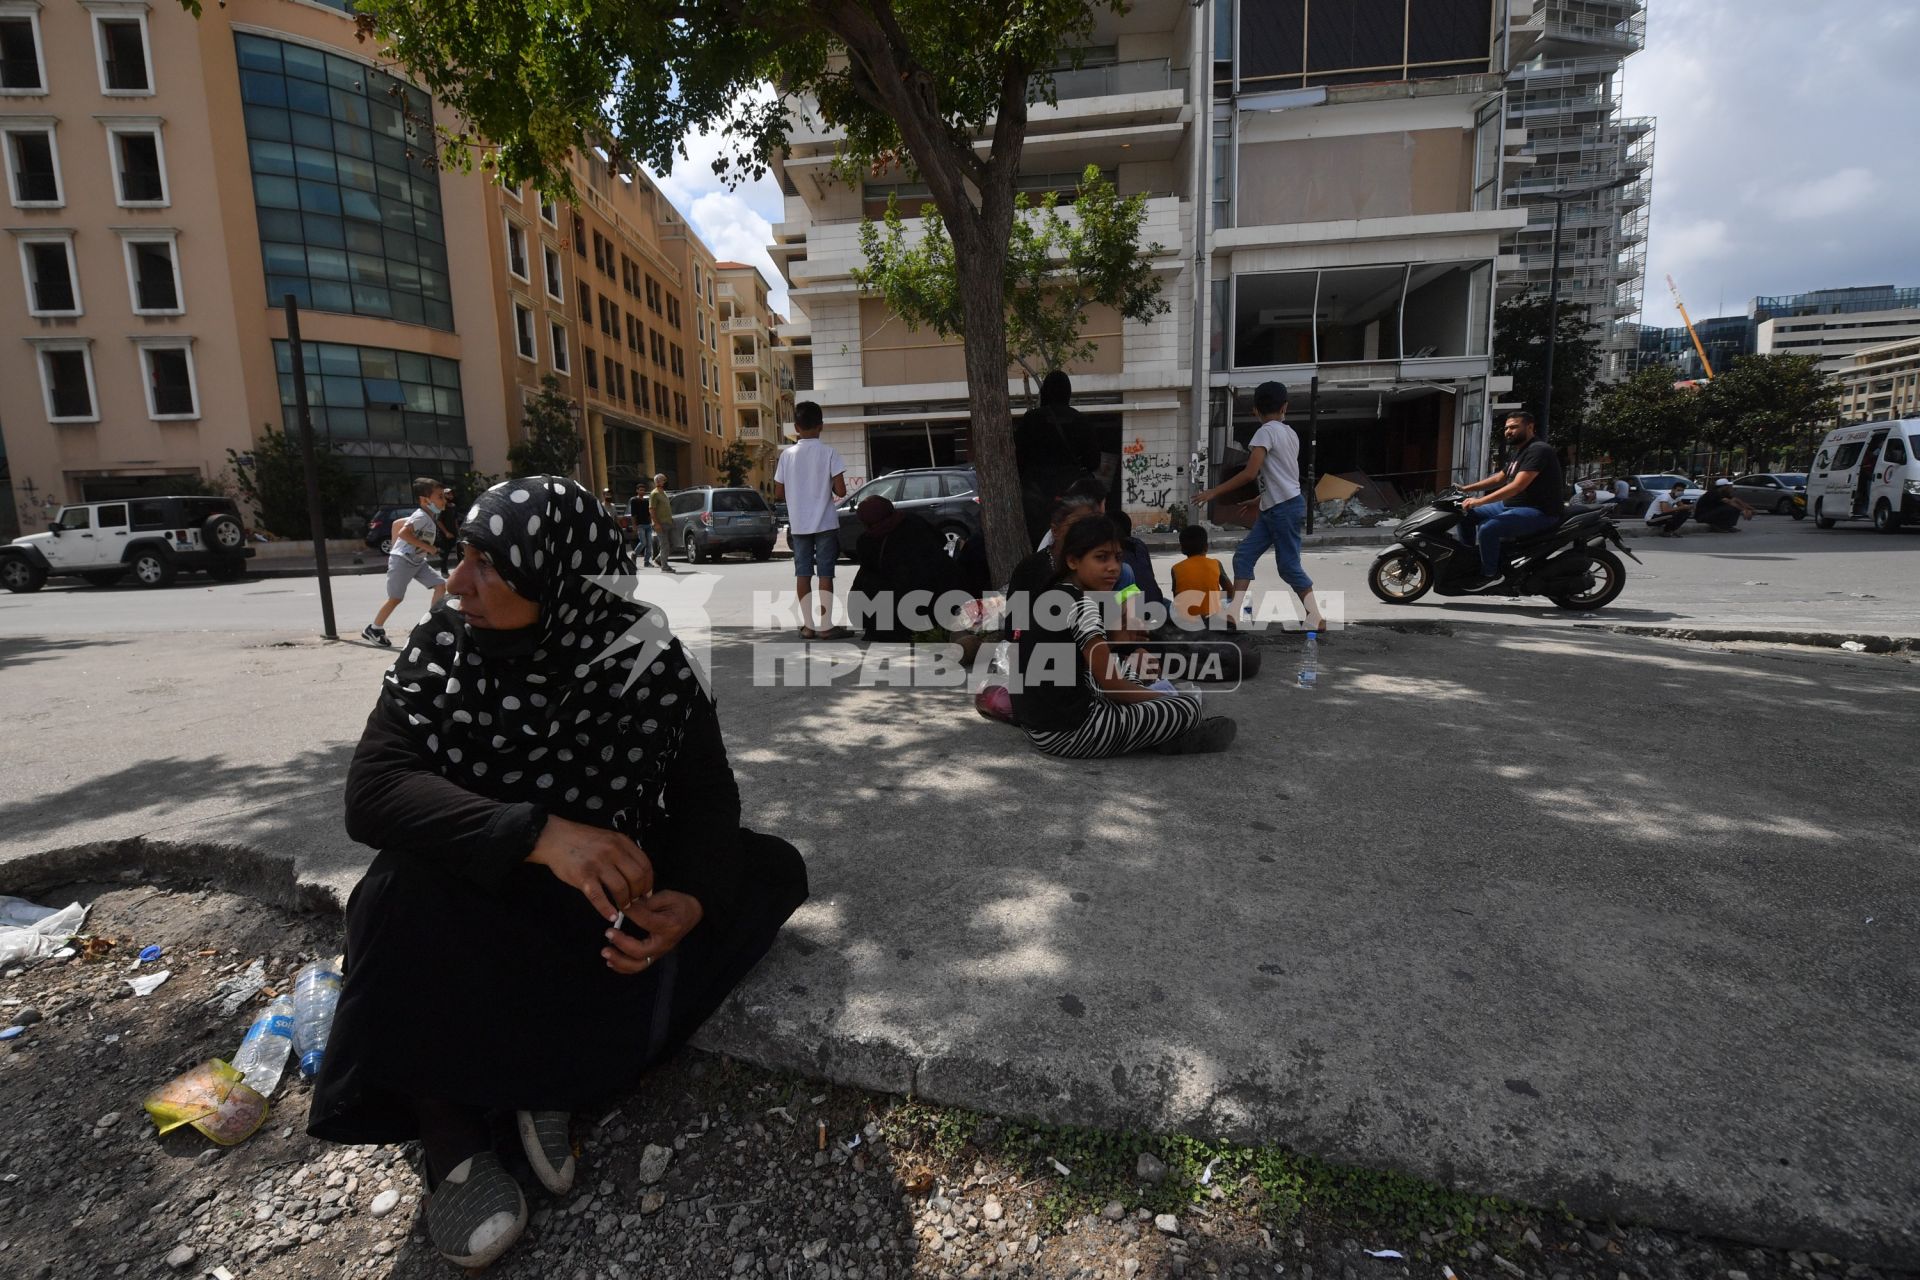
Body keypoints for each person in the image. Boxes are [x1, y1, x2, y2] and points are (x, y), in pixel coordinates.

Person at [311, 476, 808, 1269]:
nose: (458, 582)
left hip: (588, 913)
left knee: (771, 871)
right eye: (461, 555)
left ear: (562, 579)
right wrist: (539, 832)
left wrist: (690, 897)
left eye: (489, 563)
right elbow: (373, 792)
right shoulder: (445, 645)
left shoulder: (643, 652)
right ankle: (454, 1135)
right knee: (394, 887)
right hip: (471, 898)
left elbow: (704, 795)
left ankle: (542, 1078)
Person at [1009, 515, 1235, 758]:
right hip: (1067, 733)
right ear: (1073, 560)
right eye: (1101, 558)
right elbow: (1112, 687)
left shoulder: (1052, 593)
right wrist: (1165, 697)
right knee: (1187, 707)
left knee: (1128, 670)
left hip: (1035, 724)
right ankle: (1170, 733)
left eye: (1117, 558)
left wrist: (1118, 644)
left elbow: (1082, 665)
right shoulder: (1083, 606)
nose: (1113, 567)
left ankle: (1160, 731)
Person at [1190, 381, 1323, 631]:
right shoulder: (1290, 434)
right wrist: (1260, 499)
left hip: (1282, 509)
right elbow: (1283, 476)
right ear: (1285, 406)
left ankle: (1315, 616)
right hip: (1276, 507)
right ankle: (1233, 612)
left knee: (1288, 566)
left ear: (1255, 410)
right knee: (1244, 556)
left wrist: (1213, 492)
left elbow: (1250, 473)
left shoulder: (1265, 432)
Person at [1454, 411, 1565, 589]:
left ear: (1529, 427)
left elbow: (1517, 486)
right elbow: (1500, 478)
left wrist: (1480, 501)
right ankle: (1470, 559)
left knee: (1488, 528)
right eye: (1506, 428)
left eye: (1514, 427)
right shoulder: (1521, 451)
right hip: (1512, 506)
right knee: (1464, 514)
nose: (1508, 431)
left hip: (1539, 511)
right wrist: (1466, 489)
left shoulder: (1539, 450)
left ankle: (1491, 574)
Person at [774, 401, 847, 638]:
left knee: (802, 573)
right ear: (821, 426)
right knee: (826, 573)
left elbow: (778, 493)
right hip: (825, 523)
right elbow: (842, 491)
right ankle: (826, 626)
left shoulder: (787, 455)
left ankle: (808, 626)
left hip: (799, 524)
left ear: (796, 427)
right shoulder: (829, 453)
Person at [1015, 370, 1110, 547]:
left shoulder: (1031, 420)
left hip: (1034, 497)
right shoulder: (1081, 421)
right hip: (1071, 496)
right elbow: (1093, 462)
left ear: (1044, 392)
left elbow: (1017, 459)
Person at [847, 496, 959, 641]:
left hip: (890, 620)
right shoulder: (914, 522)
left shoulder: (867, 541)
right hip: (936, 608)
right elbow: (941, 540)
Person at [363, 477, 450, 647]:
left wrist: (410, 548)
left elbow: (397, 524)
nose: (444, 500)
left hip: (416, 561)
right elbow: (404, 532)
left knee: (440, 585)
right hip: (403, 561)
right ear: (425, 500)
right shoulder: (422, 516)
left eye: (443, 496)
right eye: (440, 496)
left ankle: (431, 625)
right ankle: (374, 629)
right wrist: (427, 547)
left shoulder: (426, 516)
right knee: (395, 598)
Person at [1170, 525, 1233, 629]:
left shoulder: (1176, 569)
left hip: (1187, 621)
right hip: (1212, 619)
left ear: (1182, 549)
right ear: (1206, 546)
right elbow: (1230, 591)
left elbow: (1177, 599)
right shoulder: (1216, 564)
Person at [647, 473, 677, 573]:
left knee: (672, 544)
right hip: (660, 524)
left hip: (668, 523)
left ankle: (658, 559)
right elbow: (651, 509)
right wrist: (656, 523)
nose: (666, 481)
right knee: (664, 545)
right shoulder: (654, 493)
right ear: (658, 482)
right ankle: (664, 567)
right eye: (664, 480)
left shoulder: (663, 492)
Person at [627, 482, 654, 567]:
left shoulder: (646, 501)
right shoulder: (634, 500)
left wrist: (652, 522)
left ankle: (646, 562)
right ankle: (634, 554)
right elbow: (633, 514)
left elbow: (649, 513)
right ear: (637, 491)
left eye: (643, 490)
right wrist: (634, 525)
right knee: (643, 543)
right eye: (640, 490)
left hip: (648, 525)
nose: (642, 491)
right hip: (640, 525)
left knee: (649, 544)